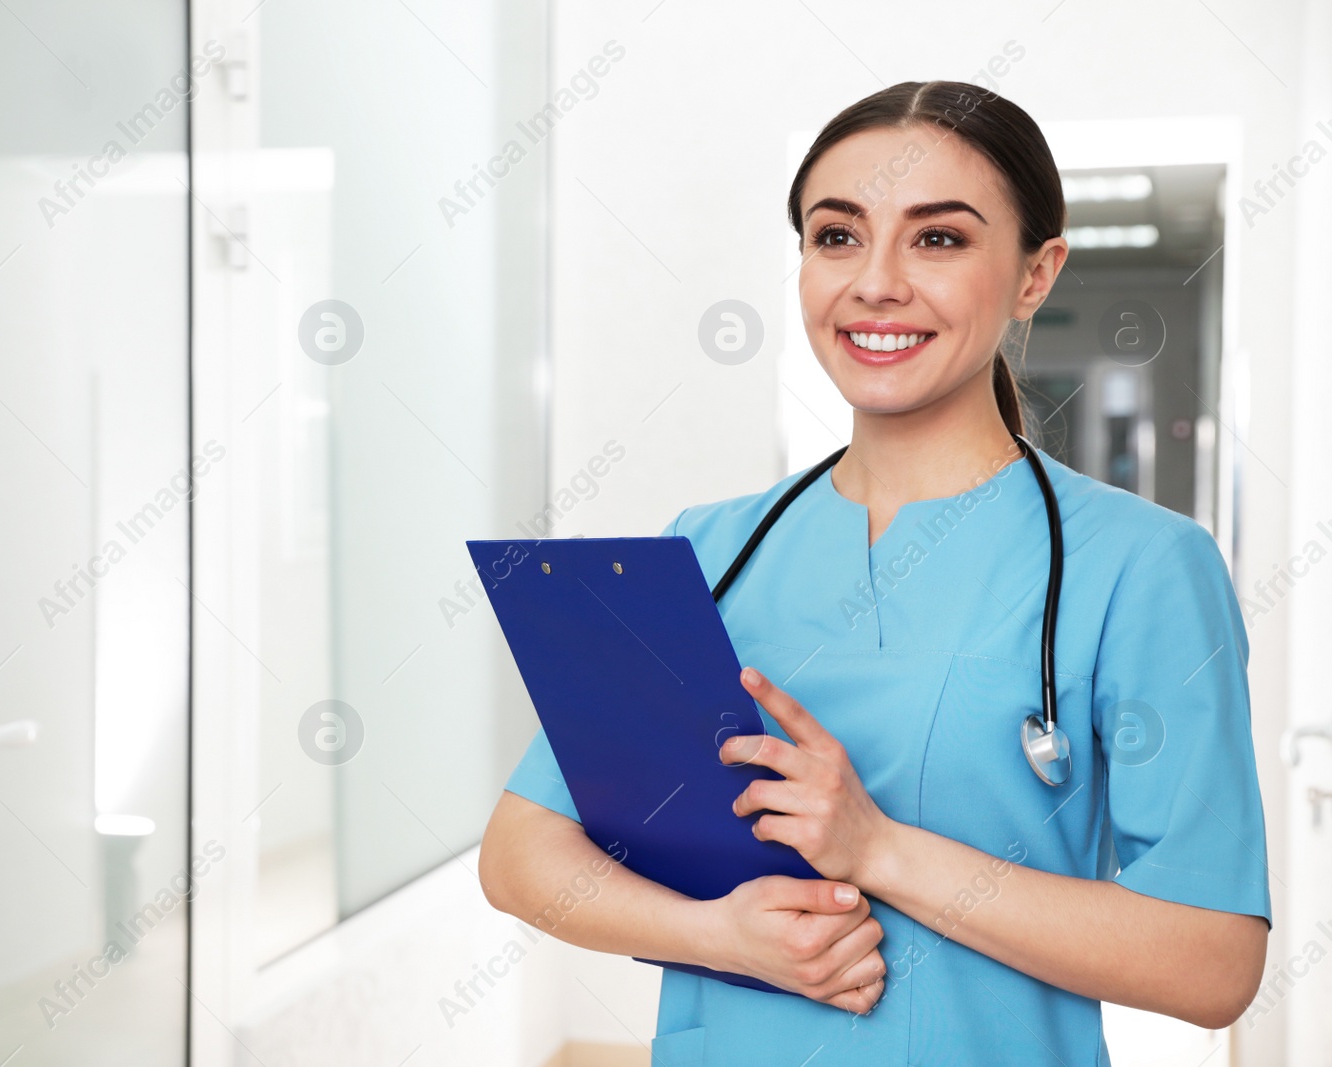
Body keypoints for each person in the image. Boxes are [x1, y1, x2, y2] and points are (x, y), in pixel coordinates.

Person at [476, 79, 1271, 1066]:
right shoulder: (710, 550)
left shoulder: (1142, 566)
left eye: (938, 238)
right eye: (836, 235)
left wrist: (878, 848)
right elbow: (520, 852)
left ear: (1036, 273)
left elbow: (1212, 960)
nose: (876, 282)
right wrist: (723, 936)